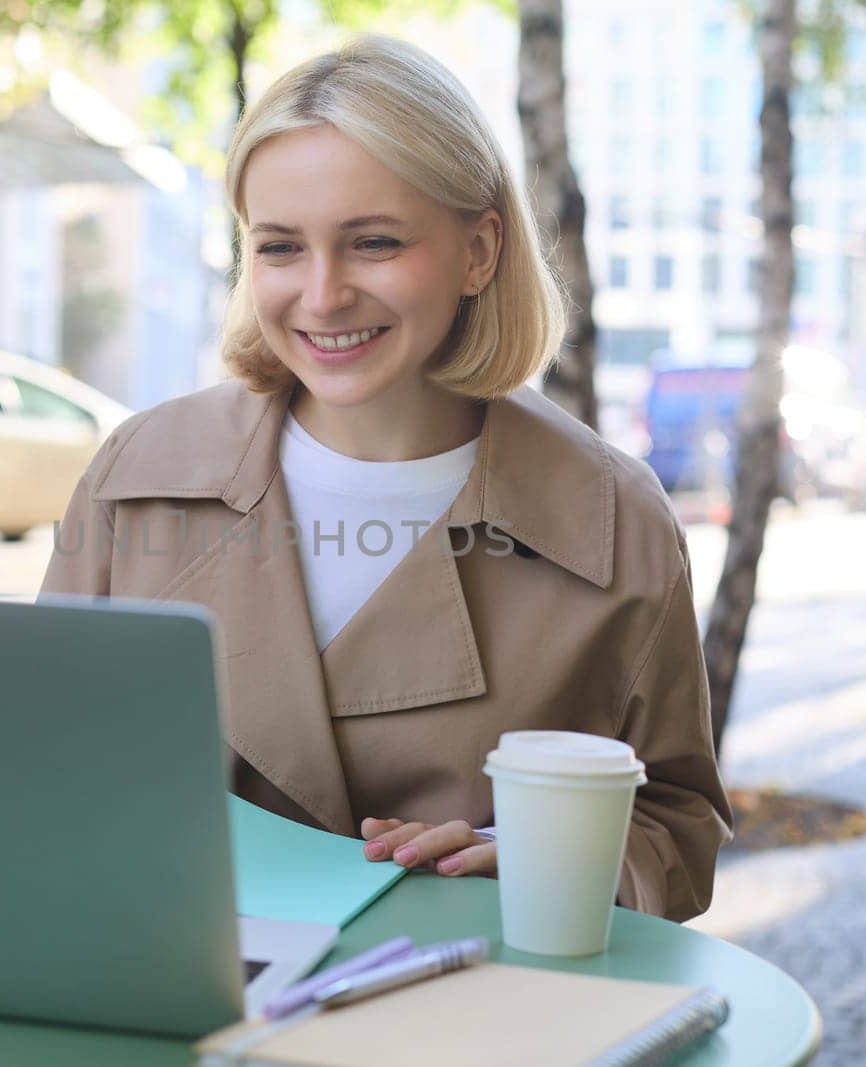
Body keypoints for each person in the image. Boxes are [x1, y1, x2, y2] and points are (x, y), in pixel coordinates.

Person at [41, 34, 731, 922]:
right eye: (280, 248)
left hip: (463, 1022)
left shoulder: (613, 519)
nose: (322, 295)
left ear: (480, 251)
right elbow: (40, 768)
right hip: (169, 1000)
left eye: (373, 242)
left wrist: (544, 861)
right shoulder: (135, 476)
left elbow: (677, 825)